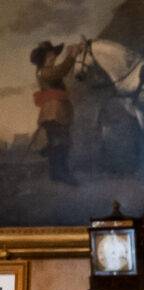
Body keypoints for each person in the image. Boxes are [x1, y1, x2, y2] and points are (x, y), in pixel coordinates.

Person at [30, 40, 81, 185]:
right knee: (62, 142)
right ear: (44, 57)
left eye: (53, 55)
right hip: (54, 112)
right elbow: (61, 71)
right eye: (51, 55)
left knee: (57, 142)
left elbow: (61, 71)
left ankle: (55, 173)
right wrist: (72, 56)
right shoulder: (44, 72)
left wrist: (69, 55)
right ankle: (62, 173)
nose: (53, 57)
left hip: (57, 111)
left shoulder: (47, 70)